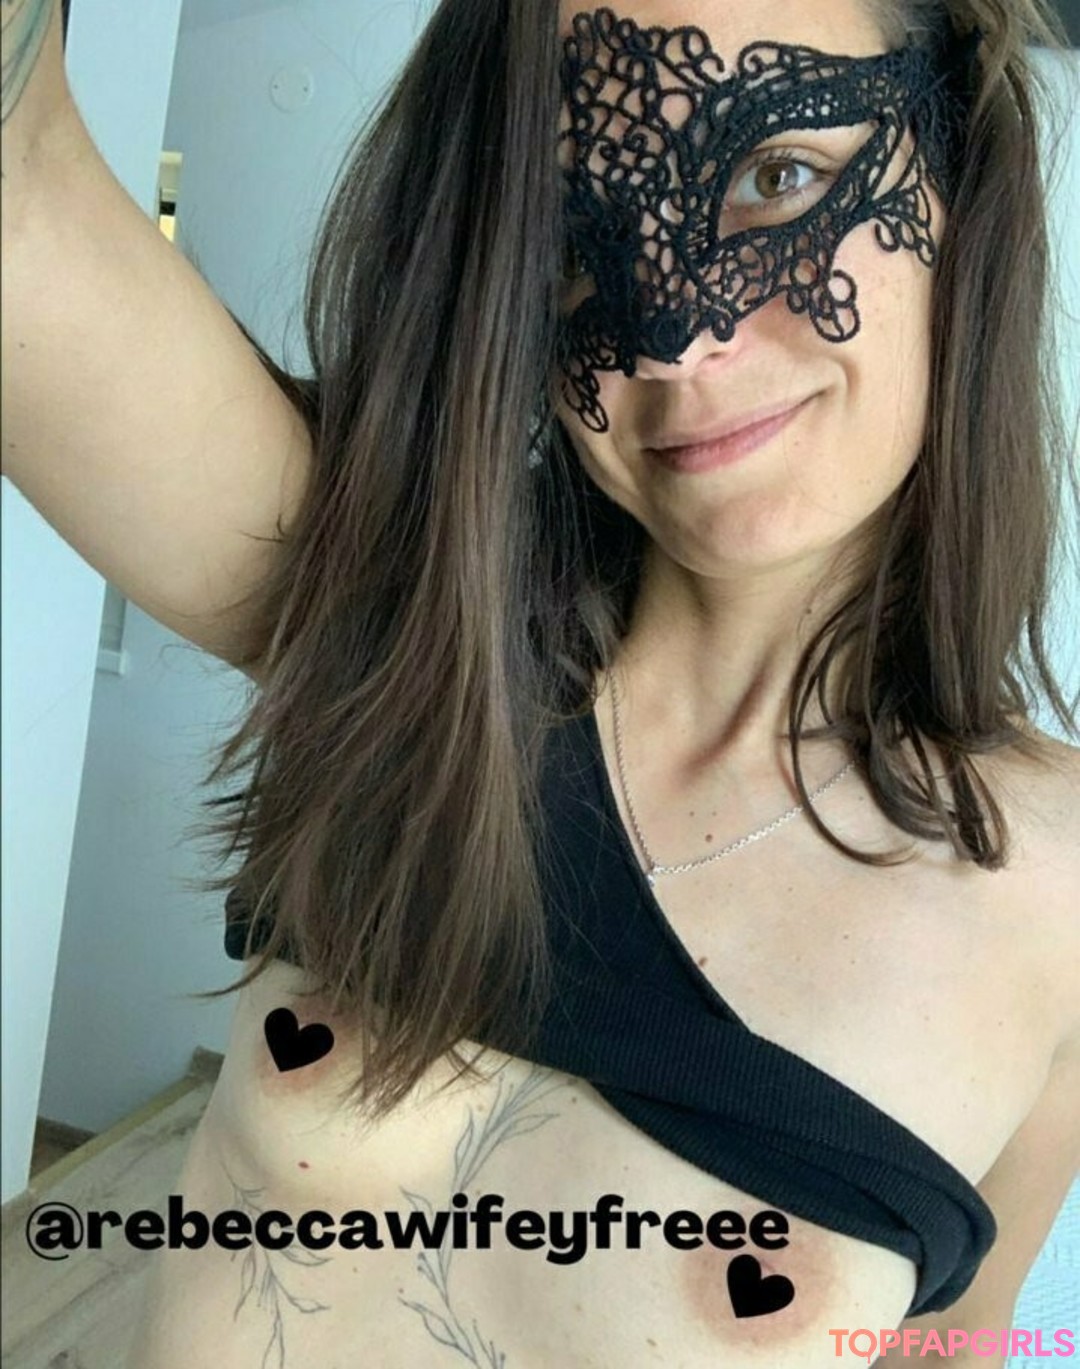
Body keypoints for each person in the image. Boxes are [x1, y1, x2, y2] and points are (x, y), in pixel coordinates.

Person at [3, 0, 1078, 1365]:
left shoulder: (1059, 900)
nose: (674, 341)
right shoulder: (411, 643)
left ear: (961, 174)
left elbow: (957, 1347)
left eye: (776, 174)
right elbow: (17, 206)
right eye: (577, 241)